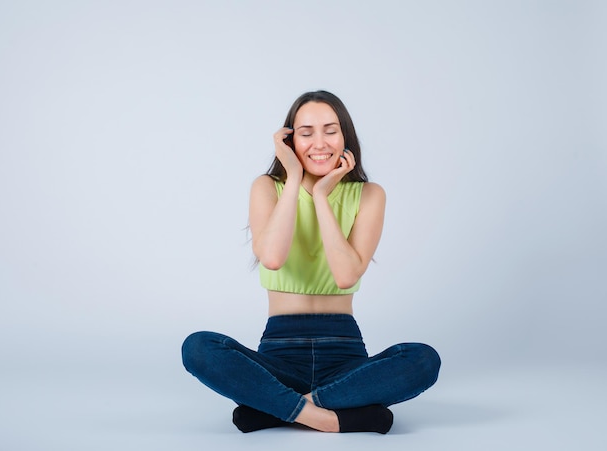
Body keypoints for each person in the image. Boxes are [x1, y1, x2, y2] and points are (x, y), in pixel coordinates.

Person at [182, 90, 440, 434]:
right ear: (289, 141)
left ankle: (275, 409)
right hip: (278, 355)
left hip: (344, 355)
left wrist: (321, 195)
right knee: (199, 347)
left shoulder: (369, 194)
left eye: (330, 130)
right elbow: (272, 258)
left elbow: (346, 275)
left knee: (423, 359)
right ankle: (336, 416)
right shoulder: (267, 187)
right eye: (306, 133)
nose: (319, 142)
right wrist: (293, 181)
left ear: (345, 136)